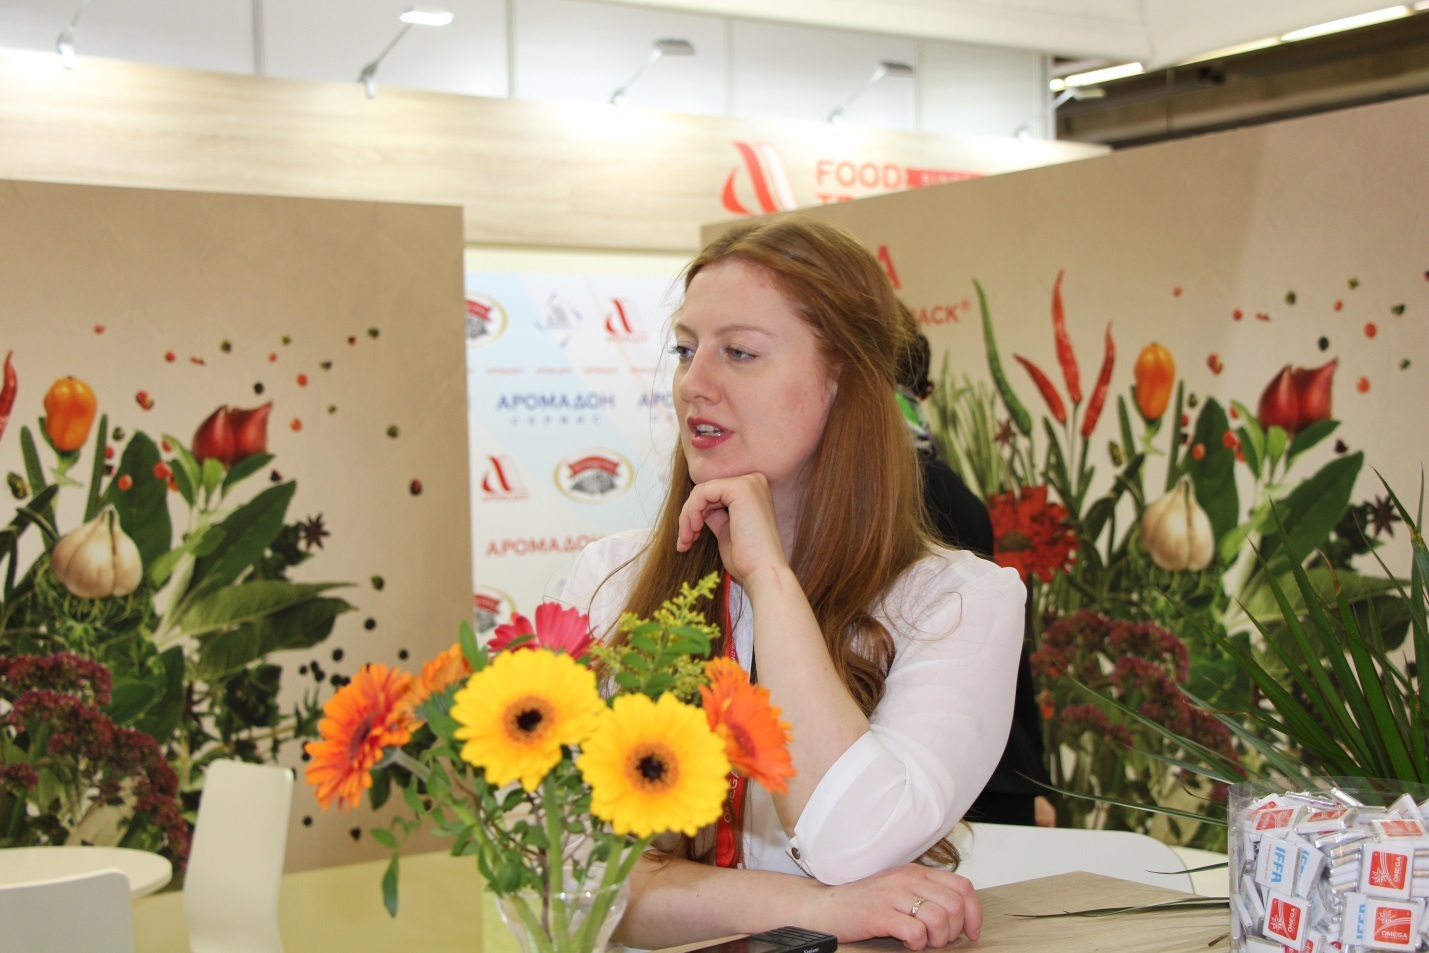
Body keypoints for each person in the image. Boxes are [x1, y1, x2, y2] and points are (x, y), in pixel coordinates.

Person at [560, 215, 1025, 951]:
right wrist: (812, 907)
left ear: (844, 381)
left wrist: (770, 581)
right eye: (685, 349)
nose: (693, 384)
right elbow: (565, 870)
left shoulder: (957, 602)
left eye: (739, 352)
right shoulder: (607, 580)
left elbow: (855, 845)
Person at [892, 307, 1055, 830]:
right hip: (989, 769)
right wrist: (1036, 779)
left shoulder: (893, 493)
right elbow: (1011, 651)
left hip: (945, 778)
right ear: (927, 389)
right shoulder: (952, 491)